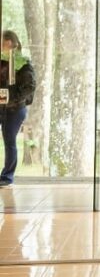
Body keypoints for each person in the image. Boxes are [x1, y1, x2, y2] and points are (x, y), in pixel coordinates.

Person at [0, 31, 36, 188]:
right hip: (2, 107)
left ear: (9, 43)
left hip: (15, 109)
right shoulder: (3, 61)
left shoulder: (23, 63)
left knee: (9, 141)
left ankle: (7, 177)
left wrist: (11, 98)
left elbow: (30, 87)